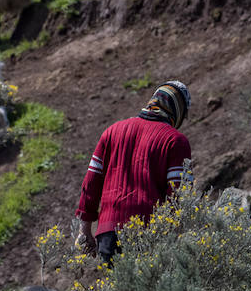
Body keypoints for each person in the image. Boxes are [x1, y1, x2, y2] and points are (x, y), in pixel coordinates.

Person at [74, 80, 192, 265]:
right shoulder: (175, 141)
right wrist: (175, 242)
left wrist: (84, 230)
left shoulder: (112, 131)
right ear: (178, 110)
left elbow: (91, 182)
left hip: (107, 232)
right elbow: (179, 195)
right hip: (147, 235)